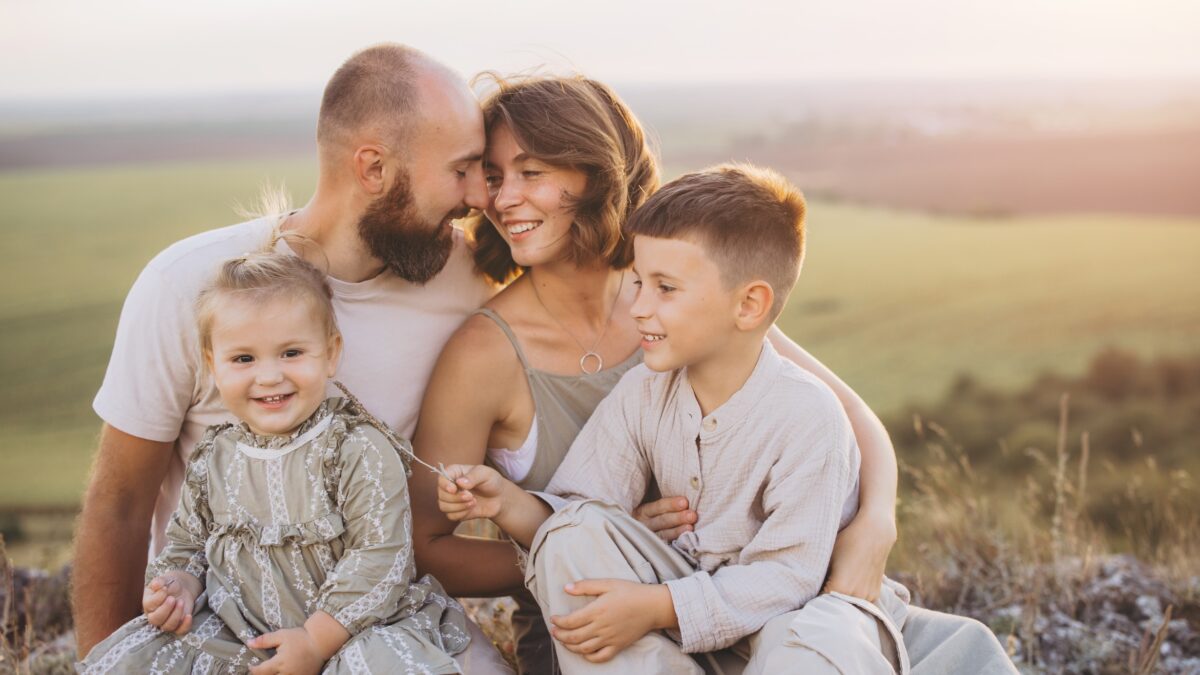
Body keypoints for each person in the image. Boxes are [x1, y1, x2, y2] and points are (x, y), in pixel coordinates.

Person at [438, 164, 1017, 674]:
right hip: (680, 624)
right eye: (638, 282)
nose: (638, 306)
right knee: (571, 533)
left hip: (800, 622)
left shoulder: (808, 414)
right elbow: (586, 506)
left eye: (666, 288)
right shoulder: (646, 390)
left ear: (750, 305)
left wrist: (659, 607)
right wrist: (508, 504)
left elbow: (788, 578)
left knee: (810, 645)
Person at [410, 76, 901, 673]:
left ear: (595, 173)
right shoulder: (486, 353)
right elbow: (437, 545)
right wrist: (614, 540)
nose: (502, 198)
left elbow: (842, 413)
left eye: (531, 172)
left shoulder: (686, 306)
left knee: (824, 637)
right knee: (580, 537)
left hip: (749, 605)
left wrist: (876, 523)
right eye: (493, 176)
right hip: (594, 621)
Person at [72, 44, 509, 672]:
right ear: (374, 169)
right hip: (223, 626)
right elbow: (118, 503)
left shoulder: (467, 278)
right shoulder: (187, 284)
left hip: (380, 616)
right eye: (461, 169)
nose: (477, 198)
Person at [80, 251, 478, 674]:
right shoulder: (215, 457)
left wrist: (315, 638)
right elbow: (188, 543)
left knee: (378, 664)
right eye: (244, 359)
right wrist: (179, 584)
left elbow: (381, 557)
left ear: (330, 353)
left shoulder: (356, 448)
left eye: (290, 353)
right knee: (146, 660)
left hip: (352, 630)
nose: (269, 376)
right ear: (213, 365)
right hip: (243, 635)